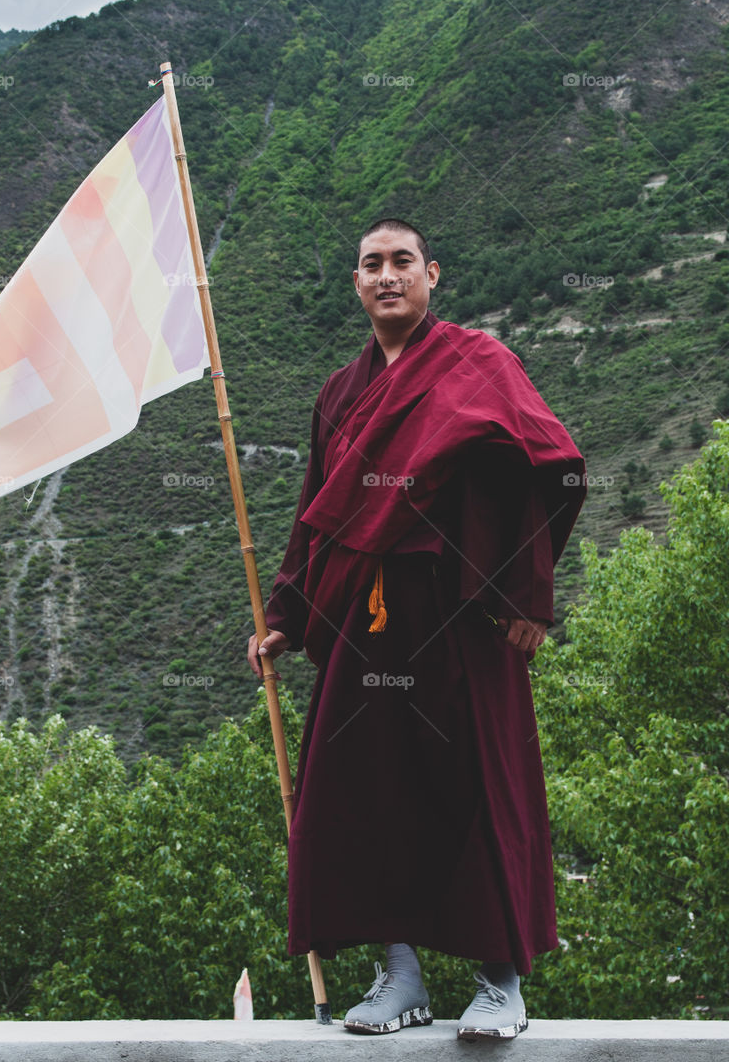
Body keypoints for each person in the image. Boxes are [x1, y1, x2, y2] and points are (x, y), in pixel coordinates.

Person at [247, 219, 586, 1038]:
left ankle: (500, 983)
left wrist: (527, 594)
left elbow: (554, 465)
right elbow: (315, 514)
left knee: (478, 783)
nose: (388, 275)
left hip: (463, 611)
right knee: (367, 788)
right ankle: (398, 974)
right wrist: (286, 615)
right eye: (372, 264)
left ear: (432, 275)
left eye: (403, 262)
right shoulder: (339, 392)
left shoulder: (480, 363)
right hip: (362, 614)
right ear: (356, 283)